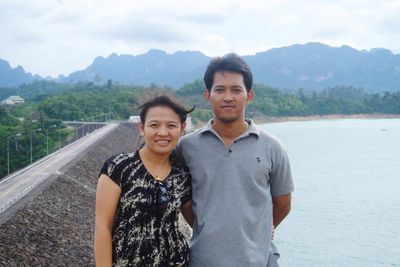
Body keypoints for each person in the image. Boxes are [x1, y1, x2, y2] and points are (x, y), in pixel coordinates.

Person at [177, 53, 294, 267]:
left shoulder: (272, 147)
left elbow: (283, 204)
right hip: (202, 261)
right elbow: (184, 202)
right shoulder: (187, 147)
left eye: (236, 90)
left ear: (249, 95)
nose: (228, 97)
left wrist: (258, 232)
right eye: (220, 90)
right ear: (208, 94)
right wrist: (209, 231)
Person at [94, 95, 194, 267]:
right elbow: (103, 226)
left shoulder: (182, 175)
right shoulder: (119, 168)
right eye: (154, 125)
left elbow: (197, 221)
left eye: (171, 126)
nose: (163, 132)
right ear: (141, 128)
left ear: (182, 128)